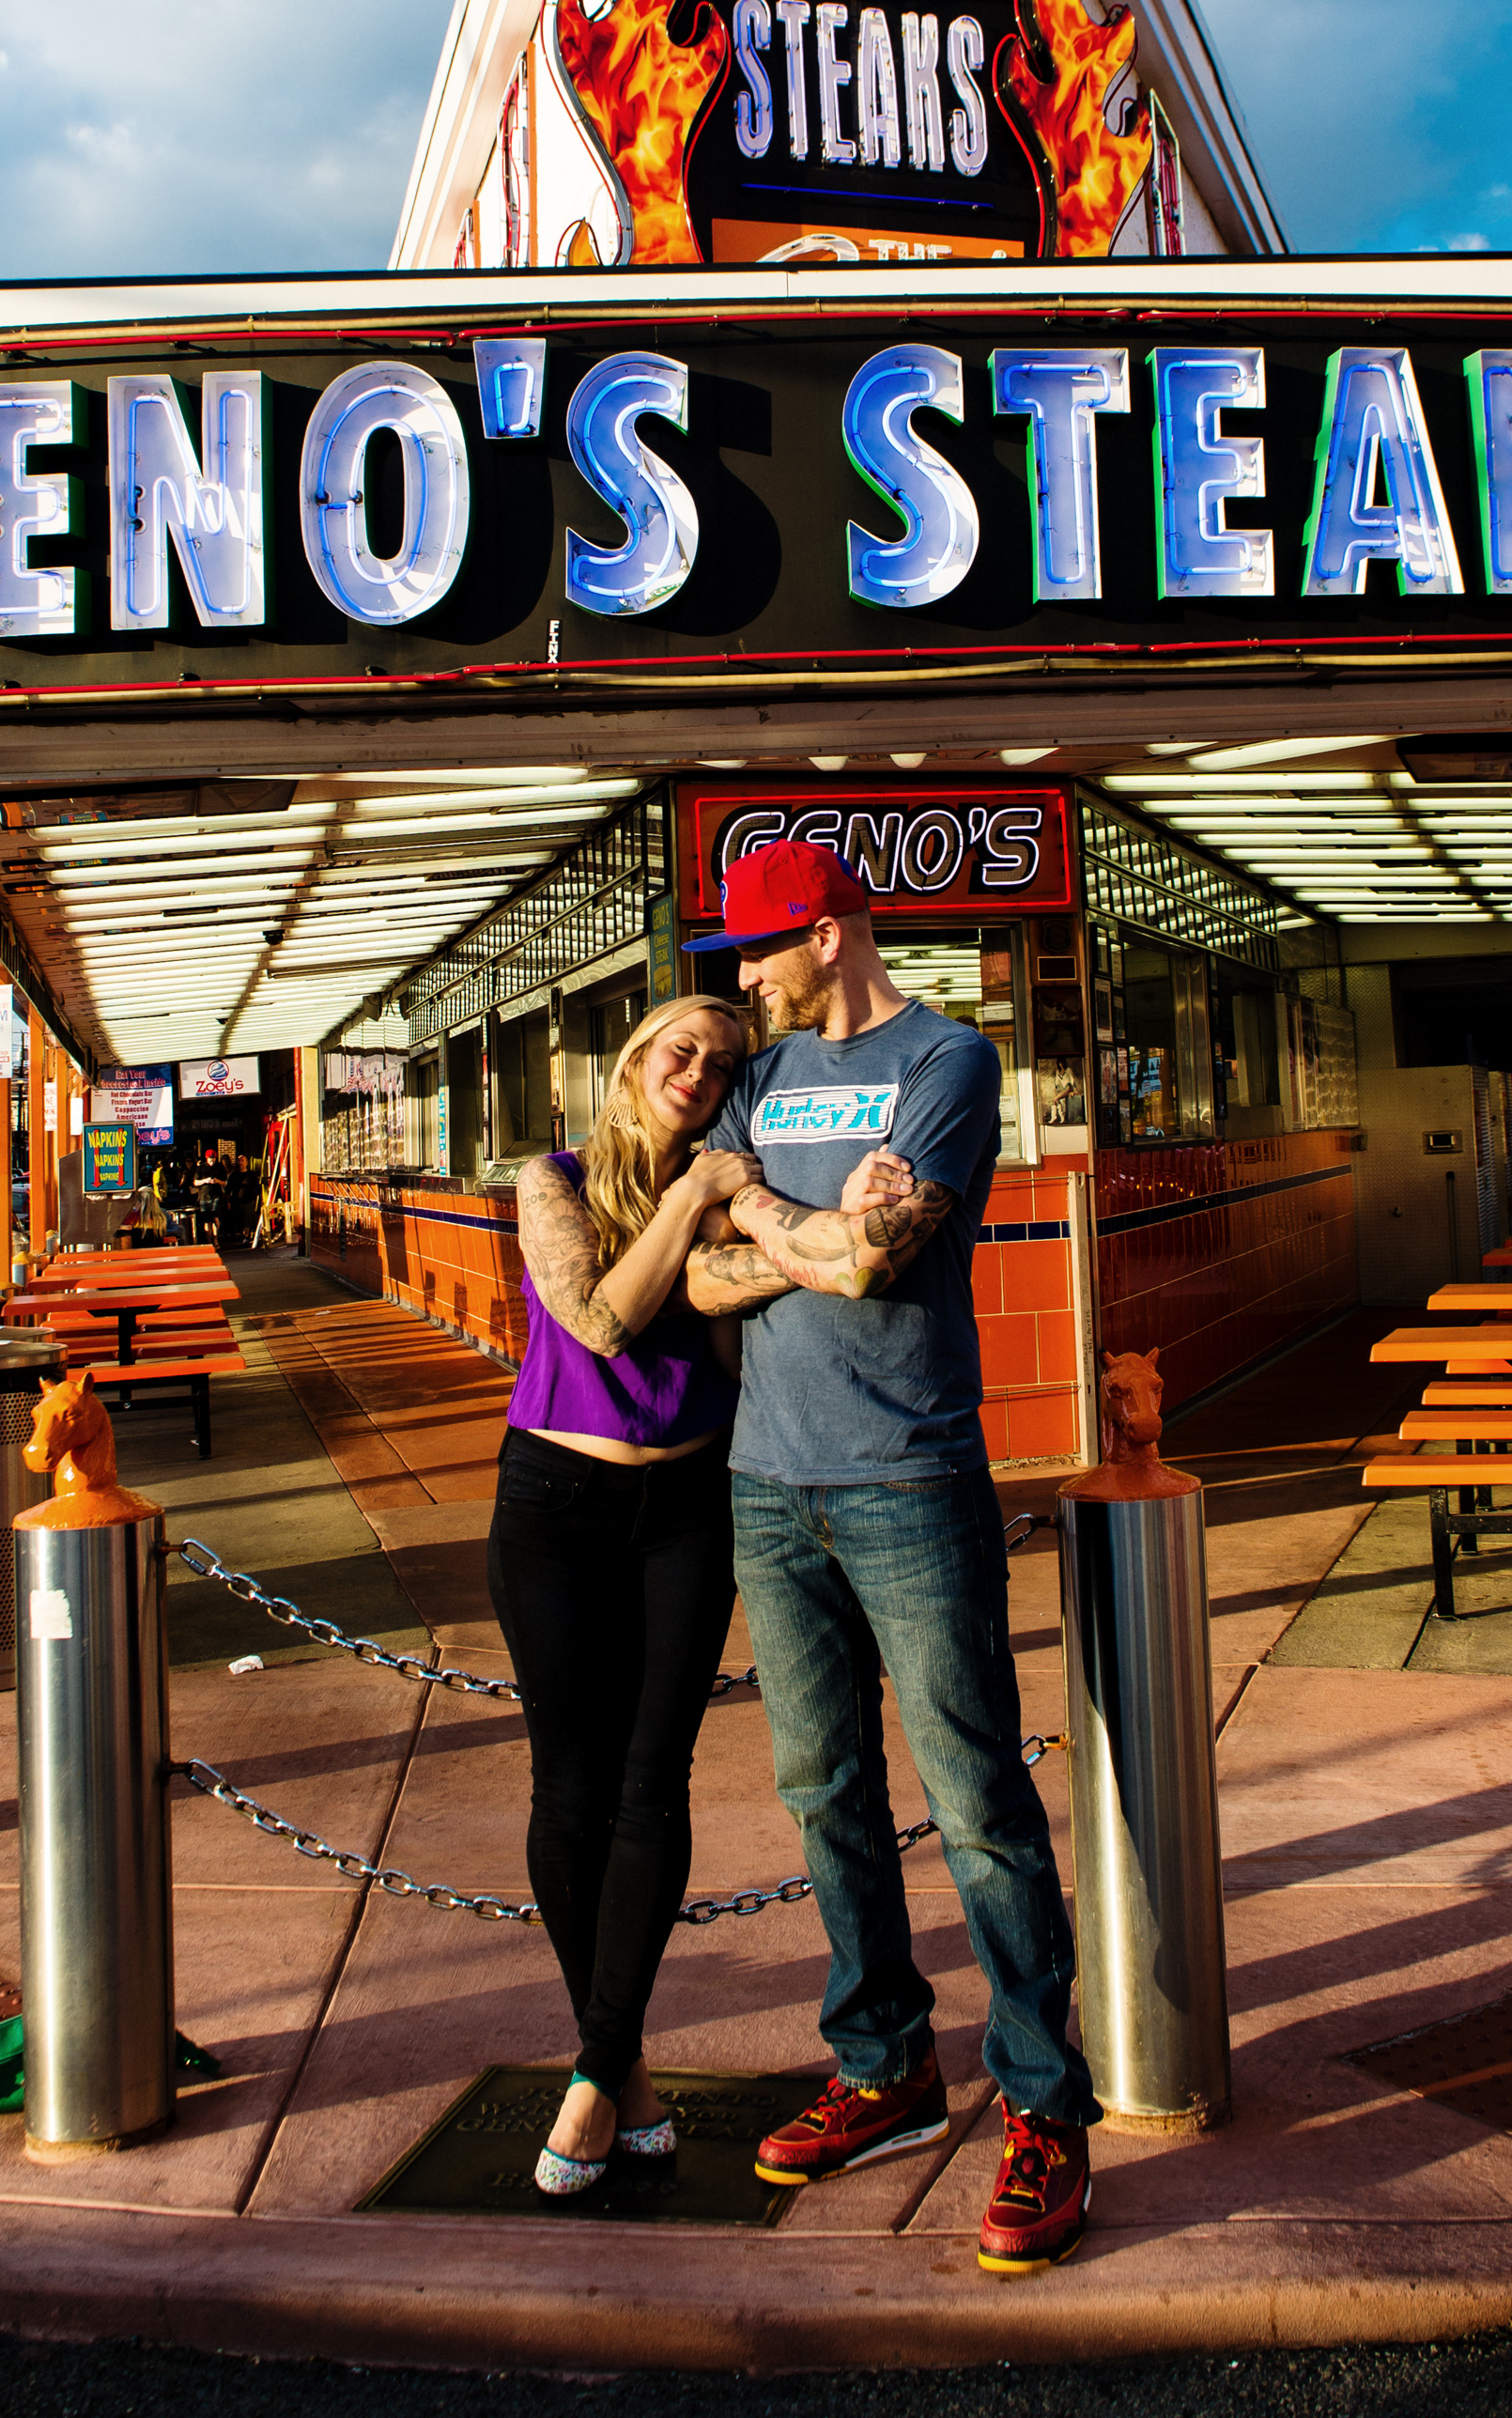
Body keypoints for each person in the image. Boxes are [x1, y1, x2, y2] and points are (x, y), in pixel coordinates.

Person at [681, 839, 1098, 2281]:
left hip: (909, 1475)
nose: (740, 983)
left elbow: (876, 1259)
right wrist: (799, 1228)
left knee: (975, 1792)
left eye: (757, 953)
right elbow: (697, 1268)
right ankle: (884, 2064)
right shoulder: (755, 1077)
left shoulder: (950, 1063)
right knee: (820, 1787)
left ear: (832, 930)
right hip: (765, 1482)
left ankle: (1043, 2103)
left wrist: (767, 1220)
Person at [489, 992, 764, 2200]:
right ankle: (619, 2066)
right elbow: (596, 1319)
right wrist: (692, 1198)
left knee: (656, 1781)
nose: (699, 1072)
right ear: (636, 1061)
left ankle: (599, 2071)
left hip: (688, 1510)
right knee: (574, 1784)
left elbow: (726, 1339)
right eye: (681, 1049)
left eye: (721, 1063)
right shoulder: (549, 1181)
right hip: (556, 1505)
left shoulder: (720, 1188)